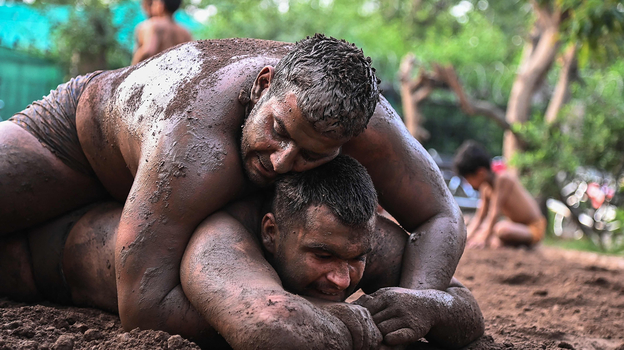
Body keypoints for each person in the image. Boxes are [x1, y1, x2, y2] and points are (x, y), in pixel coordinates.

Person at [0, 35, 466, 337]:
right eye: (278, 132)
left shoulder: (367, 125)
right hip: (70, 144)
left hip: (156, 205)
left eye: (311, 155)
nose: (282, 162)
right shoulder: (192, 143)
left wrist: (419, 298)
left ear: (349, 142)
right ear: (263, 86)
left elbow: (441, 214)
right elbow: (141, 309)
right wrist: (304, 318)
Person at [0, 155, 484, 349]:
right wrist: (361, 324)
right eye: (321, 256)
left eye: (354, 259)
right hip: (31, 256)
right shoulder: (221, 234)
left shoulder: (356, 235)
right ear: (271, 231)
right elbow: (268, 329)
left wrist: (428, 303)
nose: (342, 279)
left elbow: (464, 309)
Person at [453, 140, 546, 249]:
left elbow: (494, 213)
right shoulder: (485, 187)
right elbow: (480, 216)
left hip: (533, 228)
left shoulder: (502, 179)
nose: (468, 183)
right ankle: (500, 242)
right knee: (485, 229)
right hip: (515, 226)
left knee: (501, 229)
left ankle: (518, 243)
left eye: (468, 179)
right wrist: (466, 238)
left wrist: (484, 239)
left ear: (480, 173)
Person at [132, 0, 192, 64]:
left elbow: (148, 51)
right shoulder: (185, 32)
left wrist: (131, 69)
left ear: (161, 5)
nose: (152, 5)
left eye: (154, 2)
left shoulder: (153, 25)